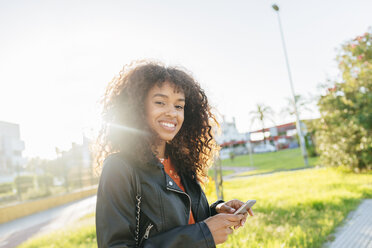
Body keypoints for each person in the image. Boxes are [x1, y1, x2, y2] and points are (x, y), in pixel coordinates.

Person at [95, 61, 254, 248]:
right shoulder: (119, 168)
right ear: (138, 107)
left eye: (179, 106)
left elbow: (183, 222)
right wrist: (203, 233)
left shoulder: (182, 163)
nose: (172, 113)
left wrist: (216, 212)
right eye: (160, 102)